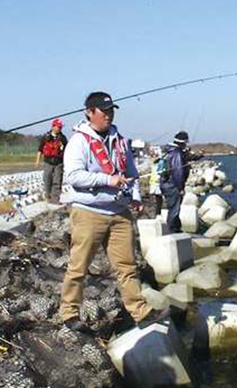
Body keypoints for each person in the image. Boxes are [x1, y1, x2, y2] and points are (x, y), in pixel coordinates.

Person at [59, 91, 165, 332]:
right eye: (103, 111)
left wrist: (136, 197)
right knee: (79, 265)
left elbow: (132, 173)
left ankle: (140, 311)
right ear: (89, 112)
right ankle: (69, 313)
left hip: (119, 212)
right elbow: (73, 176)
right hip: (88, 212)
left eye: (111, 110)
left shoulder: (120, 140)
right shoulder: (79, 141)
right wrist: (108, 179)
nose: (108, 115)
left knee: (127, 266)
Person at [160, 131, 191, 233]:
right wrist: (180, 188)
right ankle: (172, 231)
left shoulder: (170, 150)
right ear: (183, 142)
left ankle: (176, 227)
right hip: (172, 185)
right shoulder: (176, 153)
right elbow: (178, 172)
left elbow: (186, 158)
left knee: (173, 207)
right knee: (174, 208)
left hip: (165, 183)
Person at [36, 118, 68, 204]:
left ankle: (56, 199)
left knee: (57, 180)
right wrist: (37, 161)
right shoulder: (46, 137)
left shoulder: (63, 138)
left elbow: (67, 150)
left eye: (61, 127)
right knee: (47, 179)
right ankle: (48, 196)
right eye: (59, 127)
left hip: (59, 162)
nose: (60, 128)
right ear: (53, 127)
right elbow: (40, 150)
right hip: (48, 162)